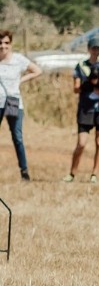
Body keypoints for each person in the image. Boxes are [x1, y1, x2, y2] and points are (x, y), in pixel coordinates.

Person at [64, 40, 99, 183]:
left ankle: (94, 174)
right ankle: (72, 173)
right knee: (81, 143)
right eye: (93, 48)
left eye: (98, 48)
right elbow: (75, 88)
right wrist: (88, 85)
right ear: (89, 49)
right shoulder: (81, 67)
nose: (96, 51)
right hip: (86, 108)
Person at [0, 29, 42, 181]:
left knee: (17, 137)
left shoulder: (18, 59)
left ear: (11, 44)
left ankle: (24, 171)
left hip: (13, 102)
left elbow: (37, 70)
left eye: (6, 43)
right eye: (0, 43)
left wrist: (21, 80)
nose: (3, 46)